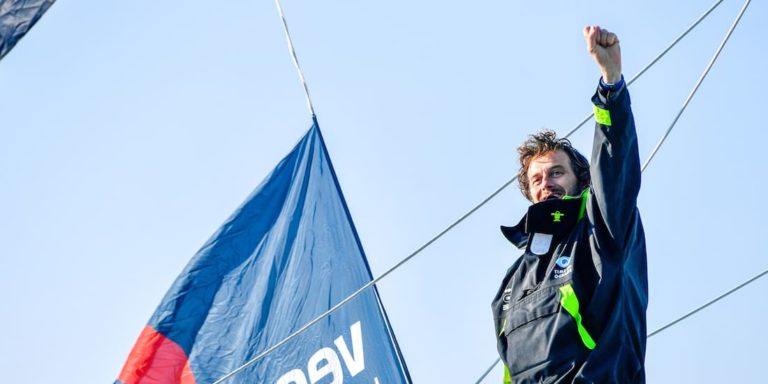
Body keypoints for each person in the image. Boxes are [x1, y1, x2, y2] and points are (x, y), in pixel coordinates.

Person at [492, 26, 647, 383]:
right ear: (529, 193)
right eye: (537, 179)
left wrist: (611, 88)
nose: (547, 183)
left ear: (582, 180)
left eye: (557, 172)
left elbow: (614, 165)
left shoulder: (602, 231)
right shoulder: (510, 285)